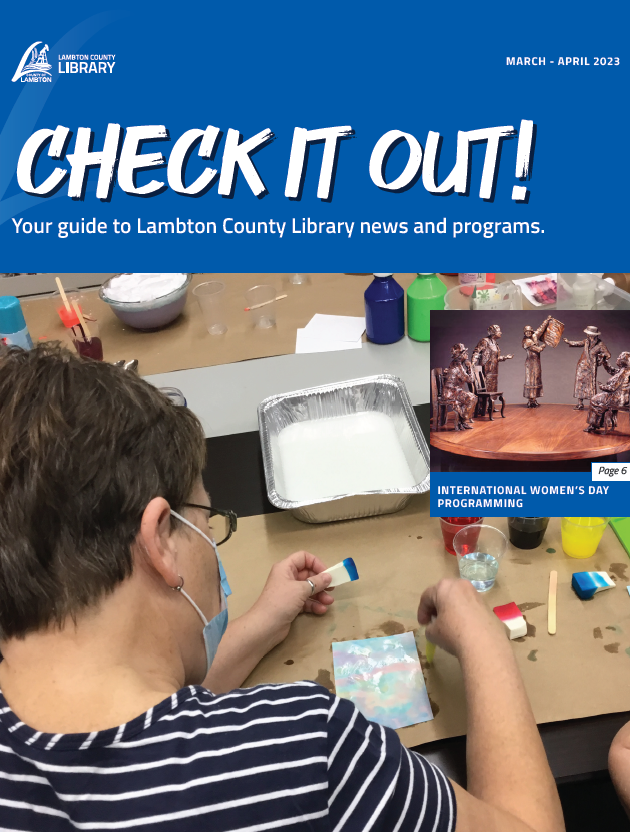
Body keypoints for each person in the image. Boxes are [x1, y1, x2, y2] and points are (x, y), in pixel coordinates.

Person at [0, 345, 564, 832]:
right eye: (206, 519)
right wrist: (484, 639)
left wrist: (261, 624)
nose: (212, 541)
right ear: (161, 542)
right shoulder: (303, 754)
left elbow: (134, 715)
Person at [563, 325, 615, 410]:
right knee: (579, 384)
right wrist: (568, 342)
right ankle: (580, 404)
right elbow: (579, 343)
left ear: (593, 335)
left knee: (591, 385)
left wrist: (601, 360)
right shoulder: (586, 341)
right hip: (582, 365)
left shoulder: (600, 344)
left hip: (591, 367)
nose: (587, 335)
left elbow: (608, 355)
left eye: (588, 334)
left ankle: (593, 404)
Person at [583, 351, 630, 433]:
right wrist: (604, 361)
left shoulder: (623, 372)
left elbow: (612, 388)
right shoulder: (625, 370)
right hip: (620, 397)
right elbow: (611, 370)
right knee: (598, 399)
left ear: (624, 361)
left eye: (619, 357)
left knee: (594, 400)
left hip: (616, 398)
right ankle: (598, 423)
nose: (617, 359)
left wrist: (602, 386)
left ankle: (593, 425)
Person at [471, 324, 513, 416]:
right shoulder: (485, 341)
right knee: (484, 388)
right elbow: (476, 352)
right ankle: (481, 408)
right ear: (493, 332)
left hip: (494, 370)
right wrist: (473, 364)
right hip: (485, 369)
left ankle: (491, 406)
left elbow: (496, 358)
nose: (501, 332)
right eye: (499, 331)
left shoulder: (495, 343)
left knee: (493, 388)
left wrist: (505, 357)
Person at [441, 343, 478, 430]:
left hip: (453, 391)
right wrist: (469, 367)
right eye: (465, 352)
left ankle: (462, 421)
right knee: (472, 398)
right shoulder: (458, 365)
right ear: (460, 355)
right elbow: (470, 380)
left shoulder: (455, 364)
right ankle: (463, 419)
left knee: (472, 397)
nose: (467, 354)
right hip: (451, 393)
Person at [522, 317, 552, 407]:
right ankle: (530, 400)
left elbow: (541, 329)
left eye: (529, 332)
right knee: (530, 381)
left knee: (536, 379)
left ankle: (534, 399)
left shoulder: (534, 336)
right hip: (530, 363)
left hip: (537, 362)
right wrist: (543, 346)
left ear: (531, 332)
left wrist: (547, 320)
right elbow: (537, 350)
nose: (528, 333)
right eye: (526, 332)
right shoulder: (526, 341)